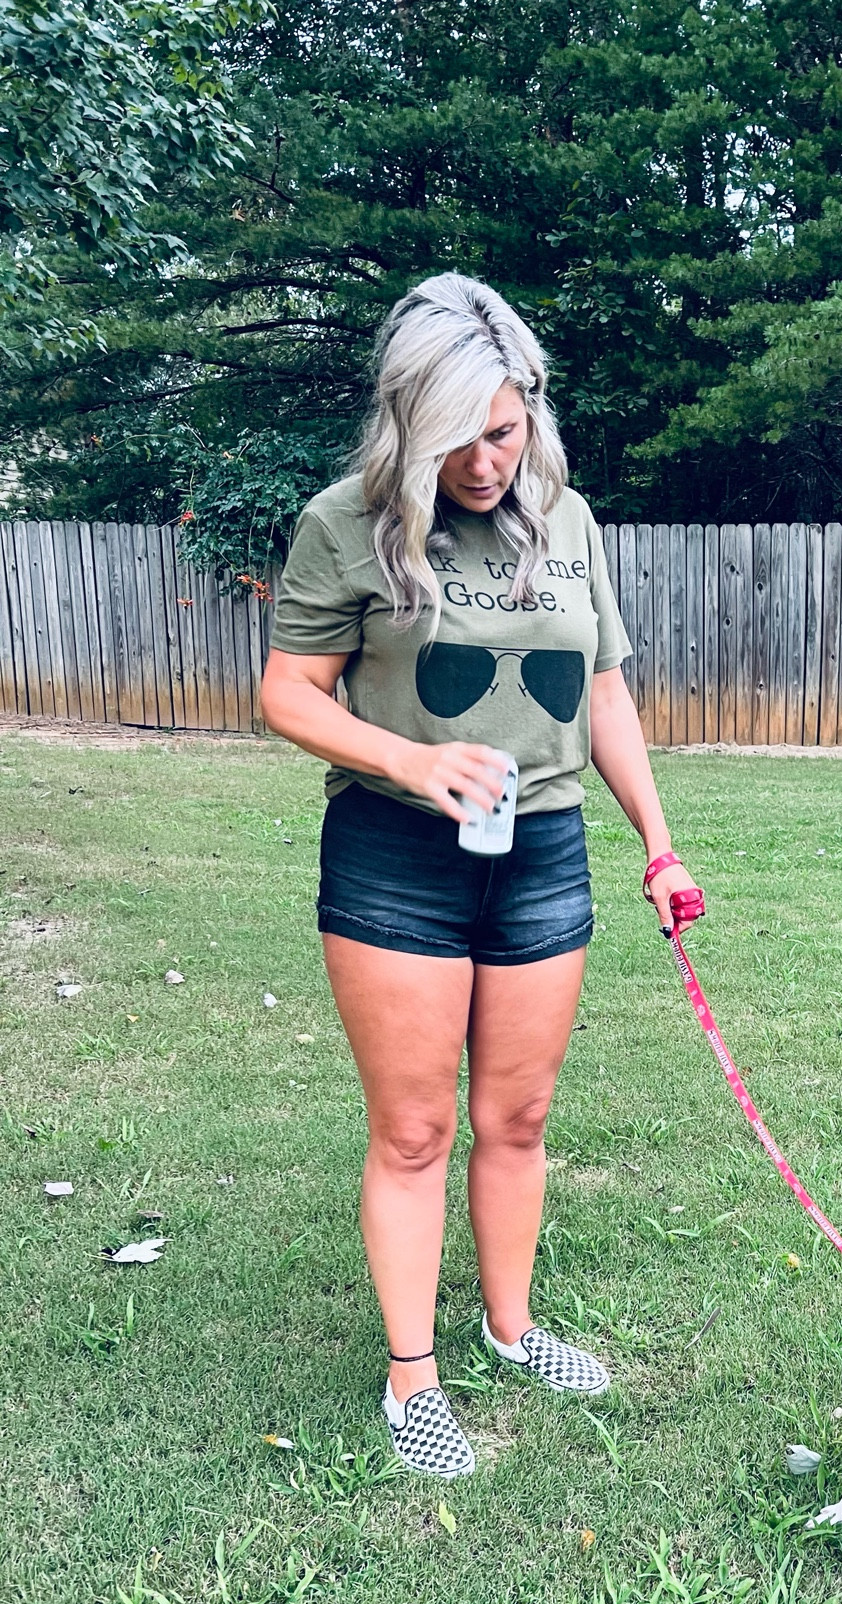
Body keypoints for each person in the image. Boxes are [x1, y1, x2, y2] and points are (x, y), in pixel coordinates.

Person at [259, 272, 700, 1479]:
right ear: (408, 423)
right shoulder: (345, 523)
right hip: (396, 852)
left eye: (502, 431)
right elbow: (288, 692)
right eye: (455, 438)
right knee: (415, 1130)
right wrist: (411, 757)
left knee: (519, 1117)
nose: (484, 461)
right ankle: (413, 1377)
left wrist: (657, 840)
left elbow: (605, 691)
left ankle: (512, 1327)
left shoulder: (569, 520)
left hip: (542, 850)